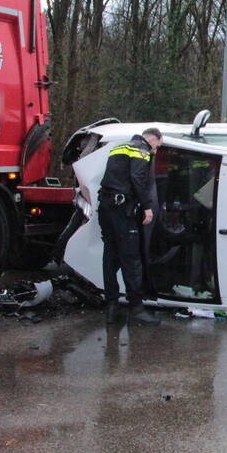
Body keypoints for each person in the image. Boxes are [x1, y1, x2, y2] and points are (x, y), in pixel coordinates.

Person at [98, 127, 163, 325]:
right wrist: (147, 207)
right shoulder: (140, 150)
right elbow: (137, 178)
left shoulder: (118, 148)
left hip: (106, 208)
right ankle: (136, 308)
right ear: (152, 138)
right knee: (131, 259)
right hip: (122, 212)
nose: (156, 151)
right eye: (157, 146)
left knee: (110, 258)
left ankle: (112, 307)